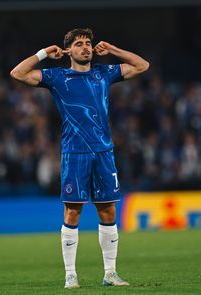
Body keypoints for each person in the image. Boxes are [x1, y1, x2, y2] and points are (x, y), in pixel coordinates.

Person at [10, 28, 149, 288]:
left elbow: (142, 65)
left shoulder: (103, 73)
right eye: (79, 44)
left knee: (108, 210)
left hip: (104, 151)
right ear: (68, 51)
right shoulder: (58, 76)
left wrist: (114, 51)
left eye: (88, 43)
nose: (86, 47)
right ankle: (70, 275)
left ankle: (110, 273)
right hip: (75, 153)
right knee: (72, 211)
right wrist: (43, 54)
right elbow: (17, 73)